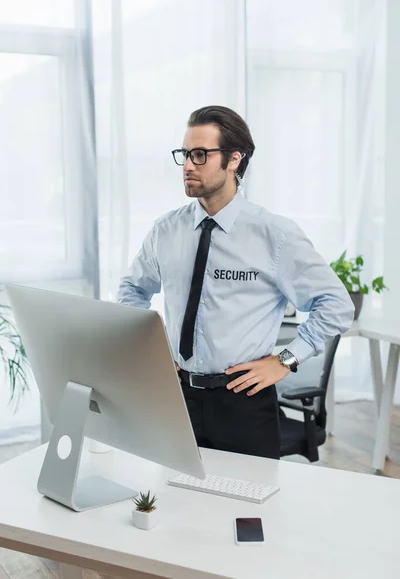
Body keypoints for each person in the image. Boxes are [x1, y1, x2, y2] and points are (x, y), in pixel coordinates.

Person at [118, 105, 354, 459]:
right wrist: (150, 349)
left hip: (243, 402)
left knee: (245, 510)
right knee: (176, 505)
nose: (187, 165)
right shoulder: (166, 231)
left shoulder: (273, 235)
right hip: (175, 397)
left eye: (200, 155)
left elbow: (337, 305)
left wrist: (285, 359)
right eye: (184, 154)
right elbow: (133, 290)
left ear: (234, 160)